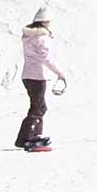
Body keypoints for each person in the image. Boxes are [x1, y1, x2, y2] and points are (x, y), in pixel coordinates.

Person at [17, 8, 67, 151]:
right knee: (38, 108)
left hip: (28, 75)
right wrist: (60, 73)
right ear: (45, 21)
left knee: (38, 106)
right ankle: (30, 138)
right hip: (37, 76)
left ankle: (25, 137)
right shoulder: (41, 37)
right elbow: (46, 57)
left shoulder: (28, 36)